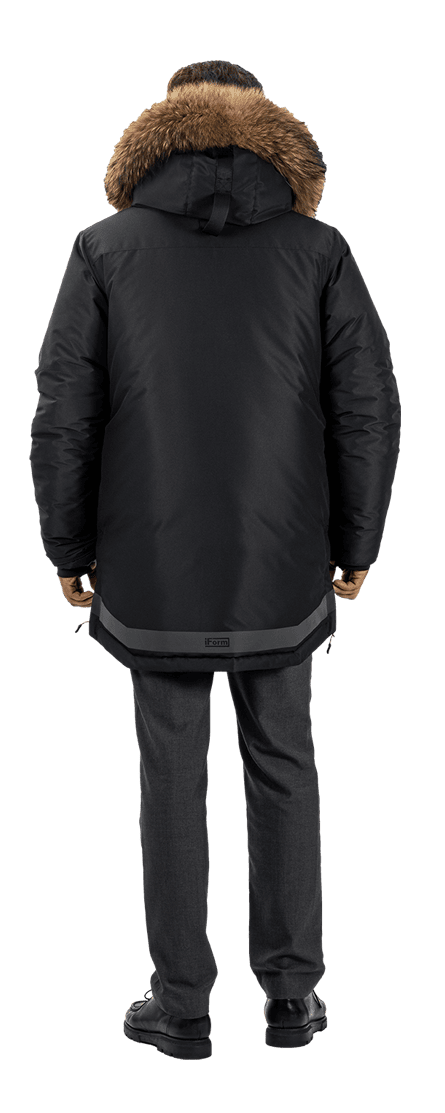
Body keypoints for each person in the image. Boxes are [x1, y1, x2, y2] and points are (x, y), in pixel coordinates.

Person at [29, 59, 401, 1059]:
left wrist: (66, 543)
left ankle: (181, 1004)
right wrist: (357, 540)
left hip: (148, 568)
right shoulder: (318, 249)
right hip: (283, 565)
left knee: (170, 776)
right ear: (269, 134)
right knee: (285, 764)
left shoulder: (104, 248)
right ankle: (293, 997)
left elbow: (65, 413)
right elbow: (366, 407)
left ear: (159, 134)